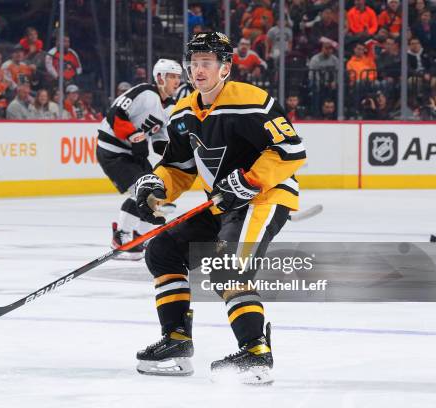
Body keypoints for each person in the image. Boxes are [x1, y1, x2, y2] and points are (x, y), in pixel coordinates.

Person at [132, 32, 306, 383]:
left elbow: (291, 150)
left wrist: (251, 180)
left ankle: (256, 351)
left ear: (224, 67)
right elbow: (178, 167)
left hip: (265, 197)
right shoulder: (183, 112)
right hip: (222, 203)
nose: (198, 70)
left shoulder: (252, 101)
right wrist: (156, 185)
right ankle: (177, 341)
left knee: (227, 266)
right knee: (163, 251)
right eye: (194, 63)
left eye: (206, 63)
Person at [96, 58, 182, 260]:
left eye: (178, 77)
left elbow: (160, 138)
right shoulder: (145, 92)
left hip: (132, 154)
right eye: (172, 77)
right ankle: (120, 237)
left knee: (157, 190)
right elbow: (115, 114)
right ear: (160, 77)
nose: (177, 81)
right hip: (112, 151)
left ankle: (139, 236)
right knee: (142, 190)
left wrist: (172, 154)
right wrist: (134, 135)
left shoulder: (170, 107)